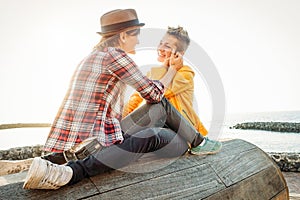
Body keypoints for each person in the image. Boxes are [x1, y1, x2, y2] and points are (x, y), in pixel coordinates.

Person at [23, 8, 222, 190]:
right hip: (94, 141)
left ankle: (198, 141)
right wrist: (171, 70)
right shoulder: (115, 56)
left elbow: (143, 100)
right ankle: (199, 142)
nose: (139, 41)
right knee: (153, 130)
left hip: (85, 140)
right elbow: (153, 95)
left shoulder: (94, 55)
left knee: (158, 110)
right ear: (124, 35)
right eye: (136, 35)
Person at [123, 26, 208, 138]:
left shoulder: (185, 73)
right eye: (161, 43)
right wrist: (121, 123)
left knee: (157, 103)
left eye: (167, 46)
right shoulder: (152, 74)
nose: (160, 48)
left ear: (179, 53)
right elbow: (134, 100)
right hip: (155, 125)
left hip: (179, 131)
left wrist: (166, 66)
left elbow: (156, 94)